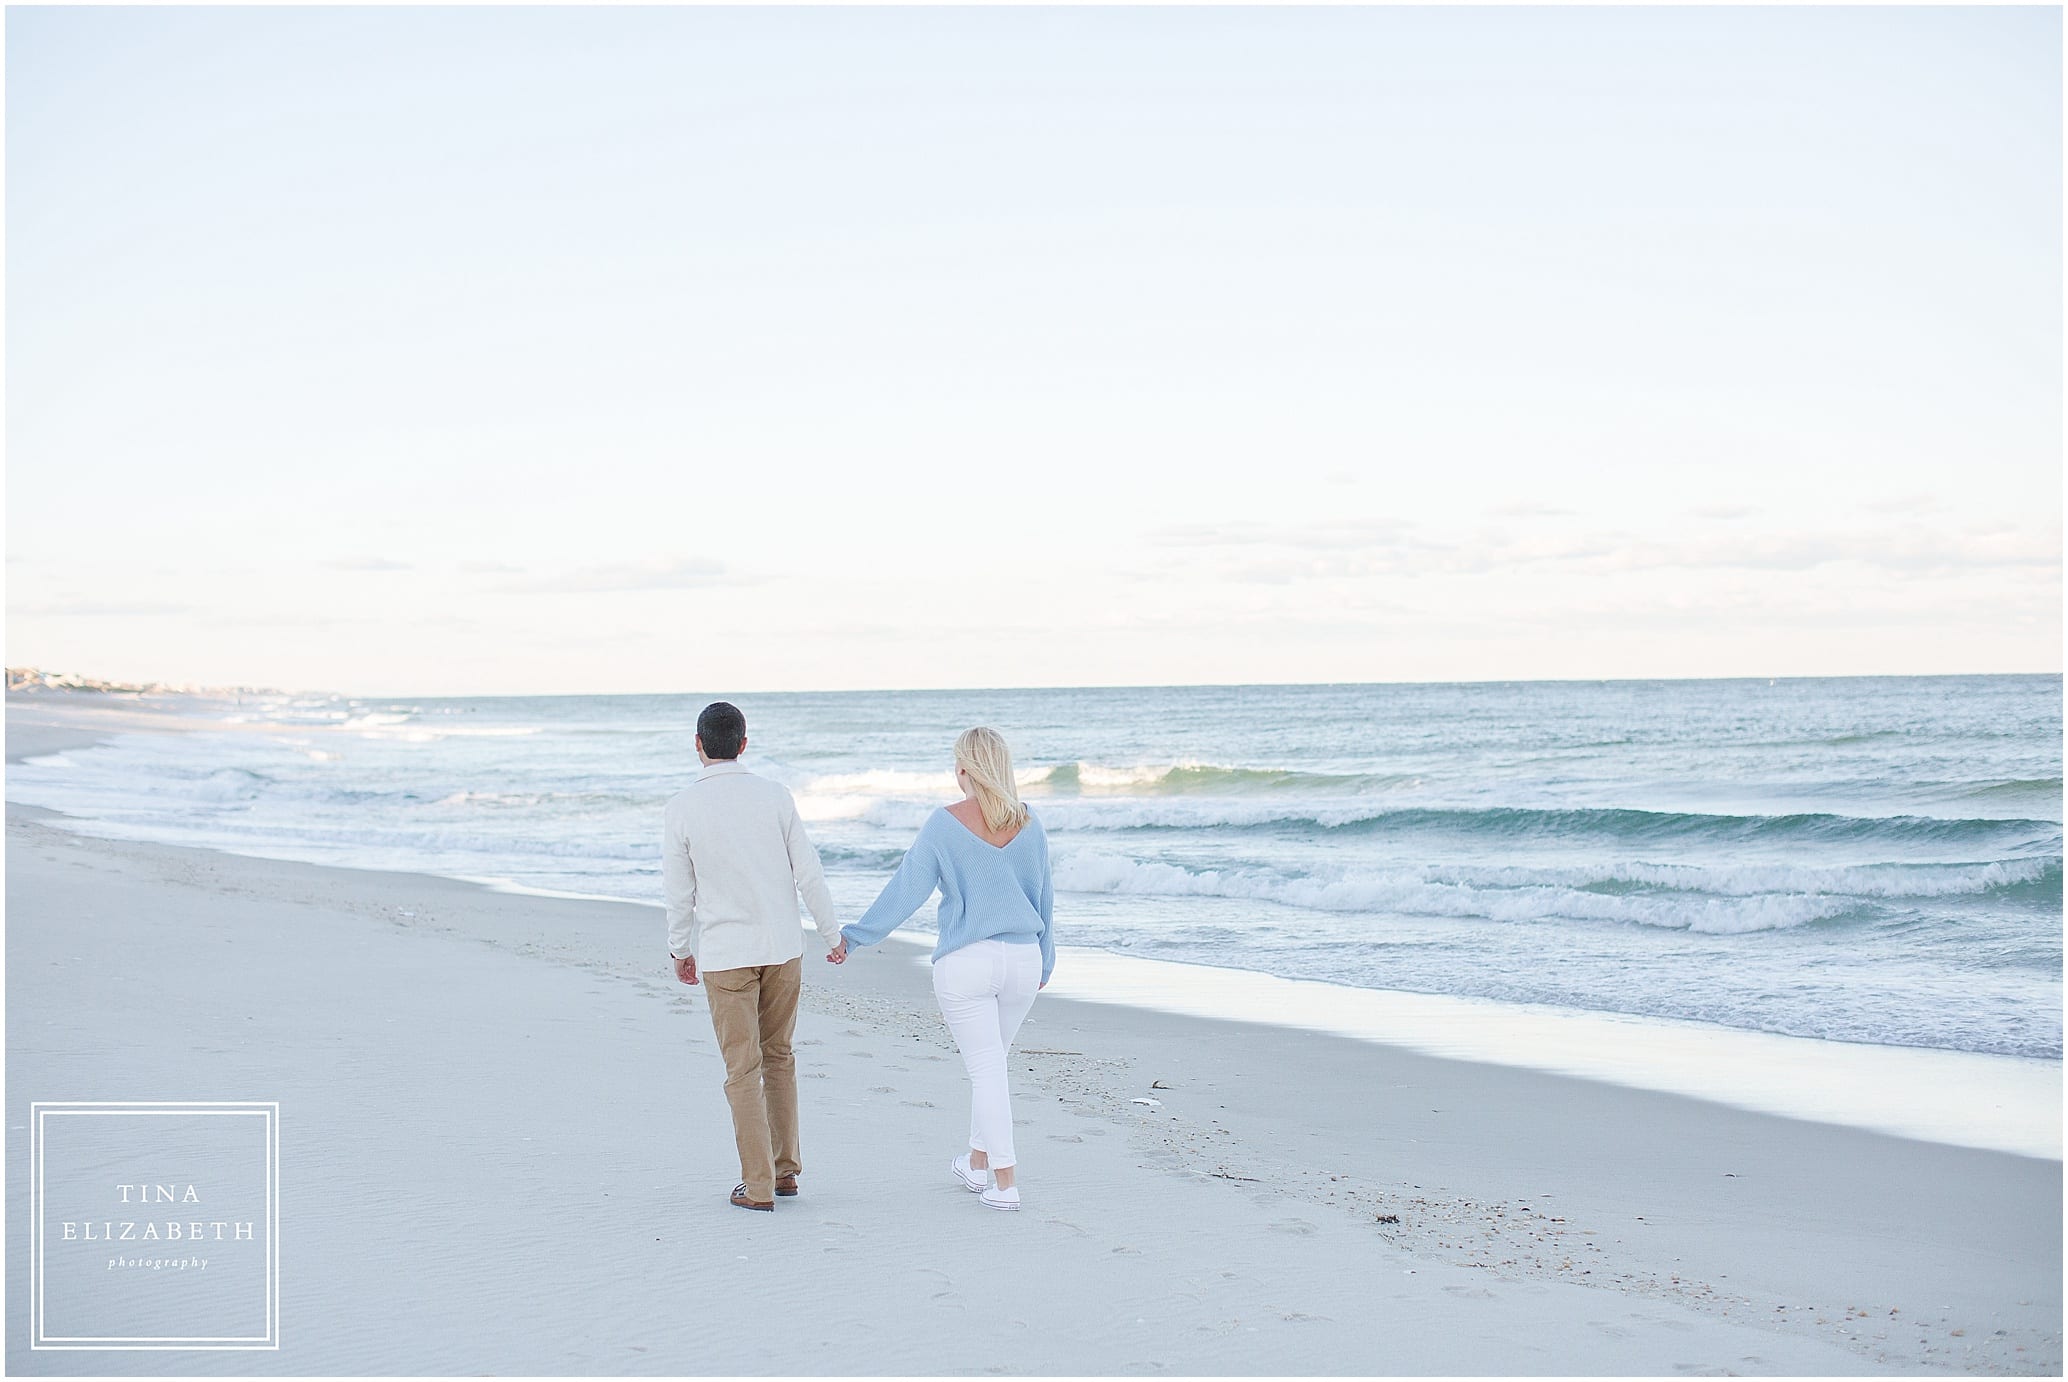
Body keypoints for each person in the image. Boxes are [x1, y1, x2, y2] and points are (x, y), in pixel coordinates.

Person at [830, 726, 1055, 1211]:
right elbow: (1044, 898)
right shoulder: (1030, 823)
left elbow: (906, 891)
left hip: (967, 964)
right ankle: (976, 1166)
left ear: (964, 771)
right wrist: (1047, 957)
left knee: (987, 1070)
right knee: (992, 1065)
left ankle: (1006, 1181)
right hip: (1023, 961)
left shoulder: (943, 823)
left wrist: (856, 936)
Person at [663, 700, 847, 1211]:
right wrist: (832, 936)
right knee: (780, 1056)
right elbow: (809, 872)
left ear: (699, 746)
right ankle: (785, 1172)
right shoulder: (775, 796)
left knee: (742, 1069)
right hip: (783, 949)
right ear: (744, 744)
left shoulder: (681, 807)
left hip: (726, 955)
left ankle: (759, 1185)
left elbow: (680, 892)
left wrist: (680, 948)